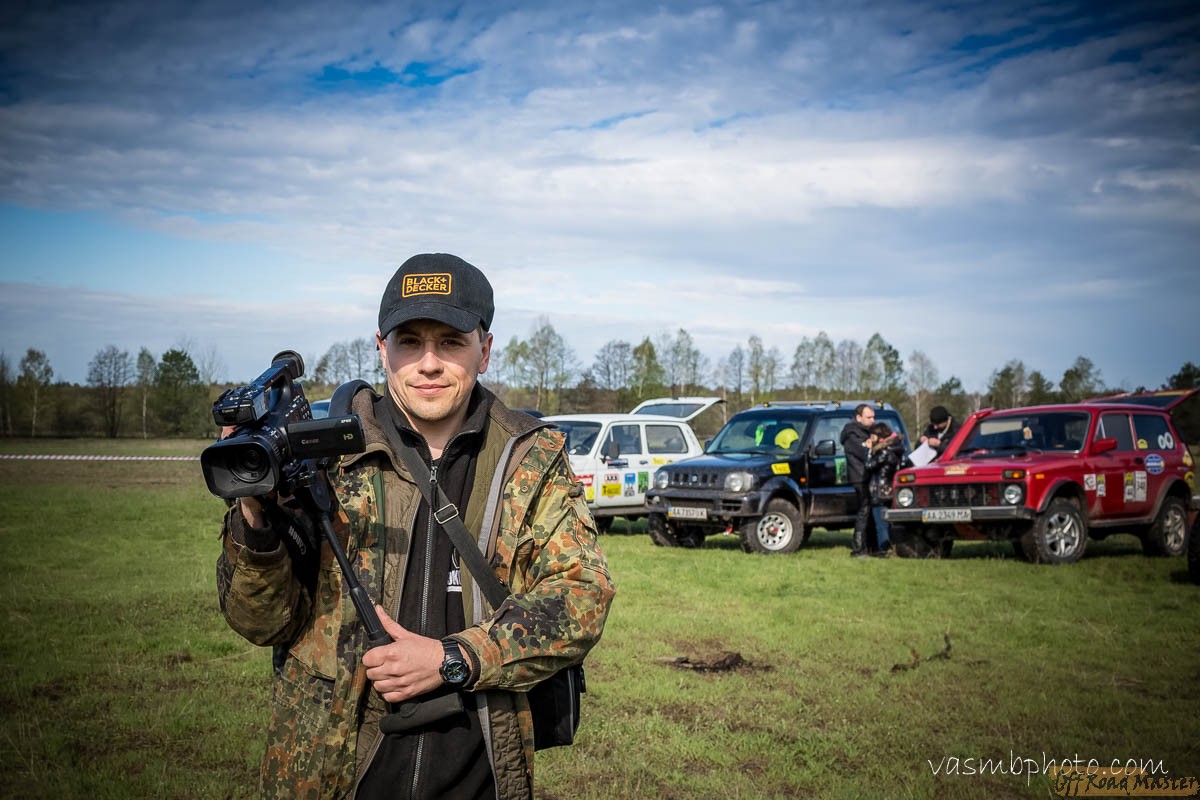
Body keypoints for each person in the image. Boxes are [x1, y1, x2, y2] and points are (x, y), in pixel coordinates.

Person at [215, 253, 616, 800]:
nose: (429, 363)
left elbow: (581, 594)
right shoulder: (322, 456)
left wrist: (456, 658)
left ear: (485, 350)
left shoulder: (530, 457)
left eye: (450, 342)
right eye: (410, 341)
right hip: (332, 775)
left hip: (479, 773)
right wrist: (255, 516)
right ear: (382, 348)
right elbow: (260, 623)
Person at [864, 421, 905, 557]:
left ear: (879, 437)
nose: (871, 439)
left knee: (881, 523)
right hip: (891, 489)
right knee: (890, 522)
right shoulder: (896, 449)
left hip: (880, 491)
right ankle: (893, 547)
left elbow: (869, 466)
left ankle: (883, 549)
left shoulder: (883, 452)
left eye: (872, 436)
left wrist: (868, 451)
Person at [840, 404, 875, 558]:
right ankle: (858, 548)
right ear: (859, 417)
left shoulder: (867, 432)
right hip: (860, 477)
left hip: (868, 476)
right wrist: (870, 446)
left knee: (870, 512)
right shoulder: (852, 434)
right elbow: (863, 453)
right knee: (864, 511)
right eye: (869, 417)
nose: (872, 420)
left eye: (873, 417)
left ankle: (871, 546)